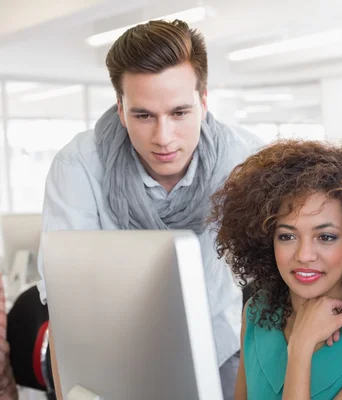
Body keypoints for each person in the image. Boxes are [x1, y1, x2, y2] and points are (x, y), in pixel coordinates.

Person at [36, 19, 263, 399]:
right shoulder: (79, 167)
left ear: (204, 102)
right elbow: (65, 307)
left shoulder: (246, 161)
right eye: (143, 116)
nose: (163, 138)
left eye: (179, 113)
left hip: (224, 351)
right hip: (116, 356)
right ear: (121, 109)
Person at [209, 140, 342, 399]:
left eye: (326, 237)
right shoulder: (256, 312)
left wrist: (301, 346)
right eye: (287, 236)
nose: (304, 255)